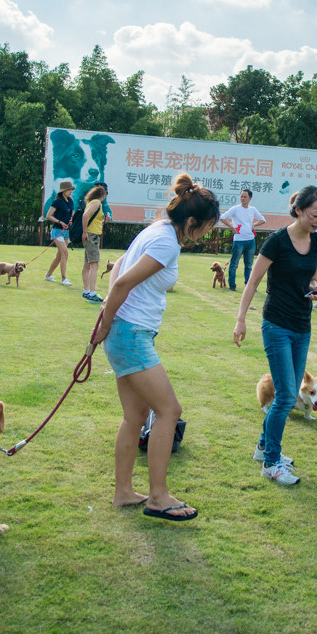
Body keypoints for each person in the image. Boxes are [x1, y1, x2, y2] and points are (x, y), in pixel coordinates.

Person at [93, 173, 220, 520]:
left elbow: (120, 264)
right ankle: (158, 496)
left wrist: (106, 321)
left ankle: (123, 492)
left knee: (135, 416)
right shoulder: (165, 240)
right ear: (191, 221)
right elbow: (121, 280)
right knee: (169, 411)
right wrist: (103, 325)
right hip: (130, 335)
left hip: (128, 332)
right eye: (206, 228)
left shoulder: (158, 229)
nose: (206, 235)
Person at [233, 185, 317, 485]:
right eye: (315, 214)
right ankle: (272, 463)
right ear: (299, 210)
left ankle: (264, 448)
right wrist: (240, 320)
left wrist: (316, 291)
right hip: (276, 325)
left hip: (303, 326)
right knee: (287, 395)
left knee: (288, 393)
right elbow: (252, 283)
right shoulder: (276, 241)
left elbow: (311, 281)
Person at [220, 189, 266, 292]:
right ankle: (232, 285)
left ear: (250, 198)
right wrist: (231, 227)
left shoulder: (252, 209)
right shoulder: (235, 209)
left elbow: (263, 220)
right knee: (234, 264)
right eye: (241, 196)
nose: (243, 198)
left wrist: (253, 225)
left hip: (250, 240)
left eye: (245, 197)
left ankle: (248, 286)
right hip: (239, 240)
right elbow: (222, 217)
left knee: (248, 265)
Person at [79, 183, 108, 303]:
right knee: (94, 265)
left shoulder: (91, 203)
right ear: (102, 194)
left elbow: (91, 220)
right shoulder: (97, 203)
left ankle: (86, 291)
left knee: (87, 264)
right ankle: (92, 293)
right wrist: (85, 232)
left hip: (91, 234)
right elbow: (85, 216)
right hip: (92, 236)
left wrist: (104, 221)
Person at [44, 181, 74, 287]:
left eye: (71, 190)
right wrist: (60, 222)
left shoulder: (71, 201)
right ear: (63, 191)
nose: (71, 191)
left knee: (59, 255)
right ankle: (64, 278)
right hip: (57, 231)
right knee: (65, 253)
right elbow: (48, 215)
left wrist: (70, 220)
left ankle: (48, 275)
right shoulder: (57, 202)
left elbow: (71, 214)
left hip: (66, 232)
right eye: (69, 189)